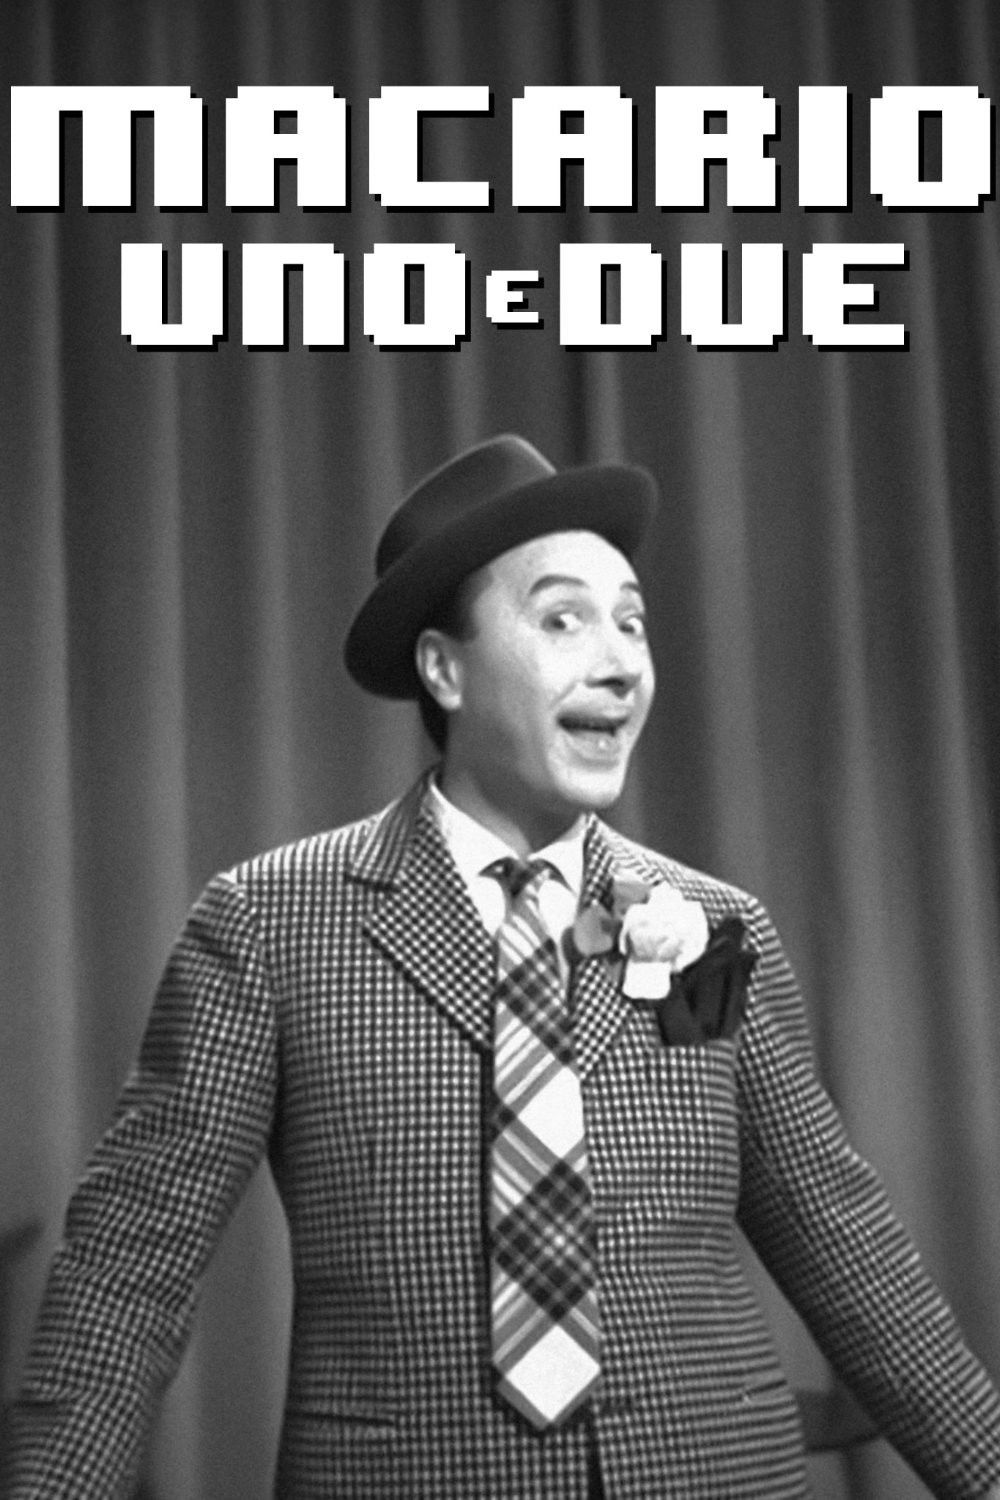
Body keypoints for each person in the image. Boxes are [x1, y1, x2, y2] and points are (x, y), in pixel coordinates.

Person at [6, 434, 1000, 1499]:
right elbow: (129, 1270)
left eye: (631, 622)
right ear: (443, 669)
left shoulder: (712, 924)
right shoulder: (270, 923)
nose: (619, 662)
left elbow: (844, 1244)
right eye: (563, 619)